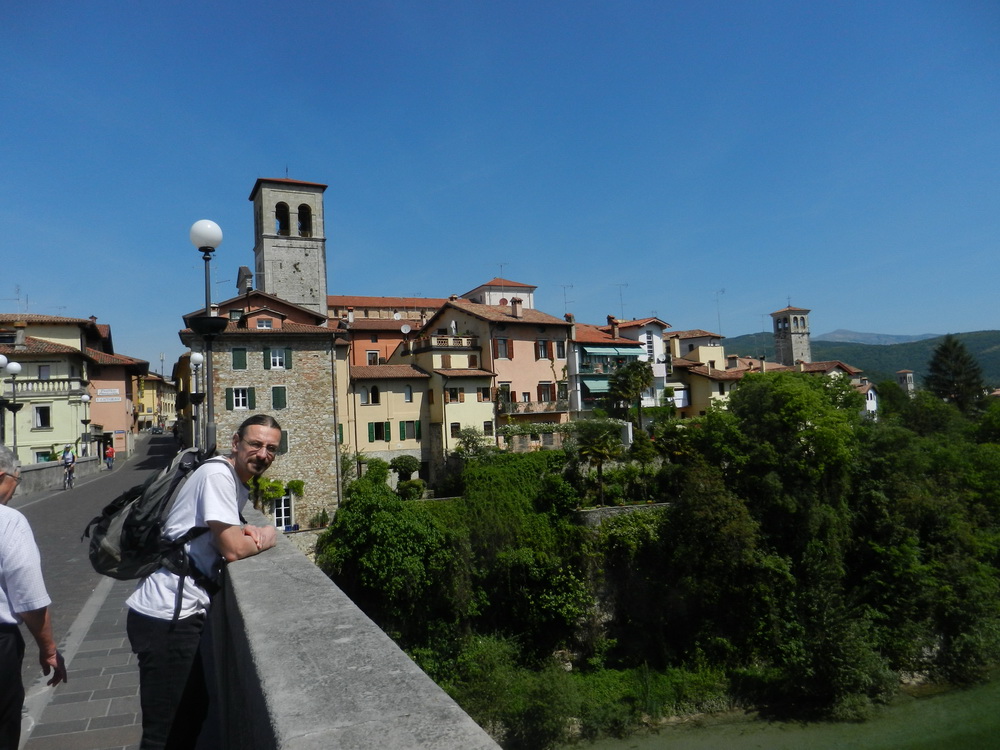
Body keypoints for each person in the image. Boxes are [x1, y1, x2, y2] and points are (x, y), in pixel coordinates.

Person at [126, 415, 281, 749]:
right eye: (256, 444)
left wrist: (242, 531)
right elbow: (234, 549)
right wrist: (270, 534)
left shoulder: (228, 477)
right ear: (236, 443)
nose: (263, 454)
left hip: (176, 611)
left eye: (271, 448)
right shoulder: (217, 475)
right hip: (166, 615)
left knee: (192, 713)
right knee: (166, 732)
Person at [0, 445, 68, 749]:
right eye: (18, 479)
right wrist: (49, 649)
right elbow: (29, 599)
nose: (16, 489)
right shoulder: (9, 522)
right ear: (2, 477)